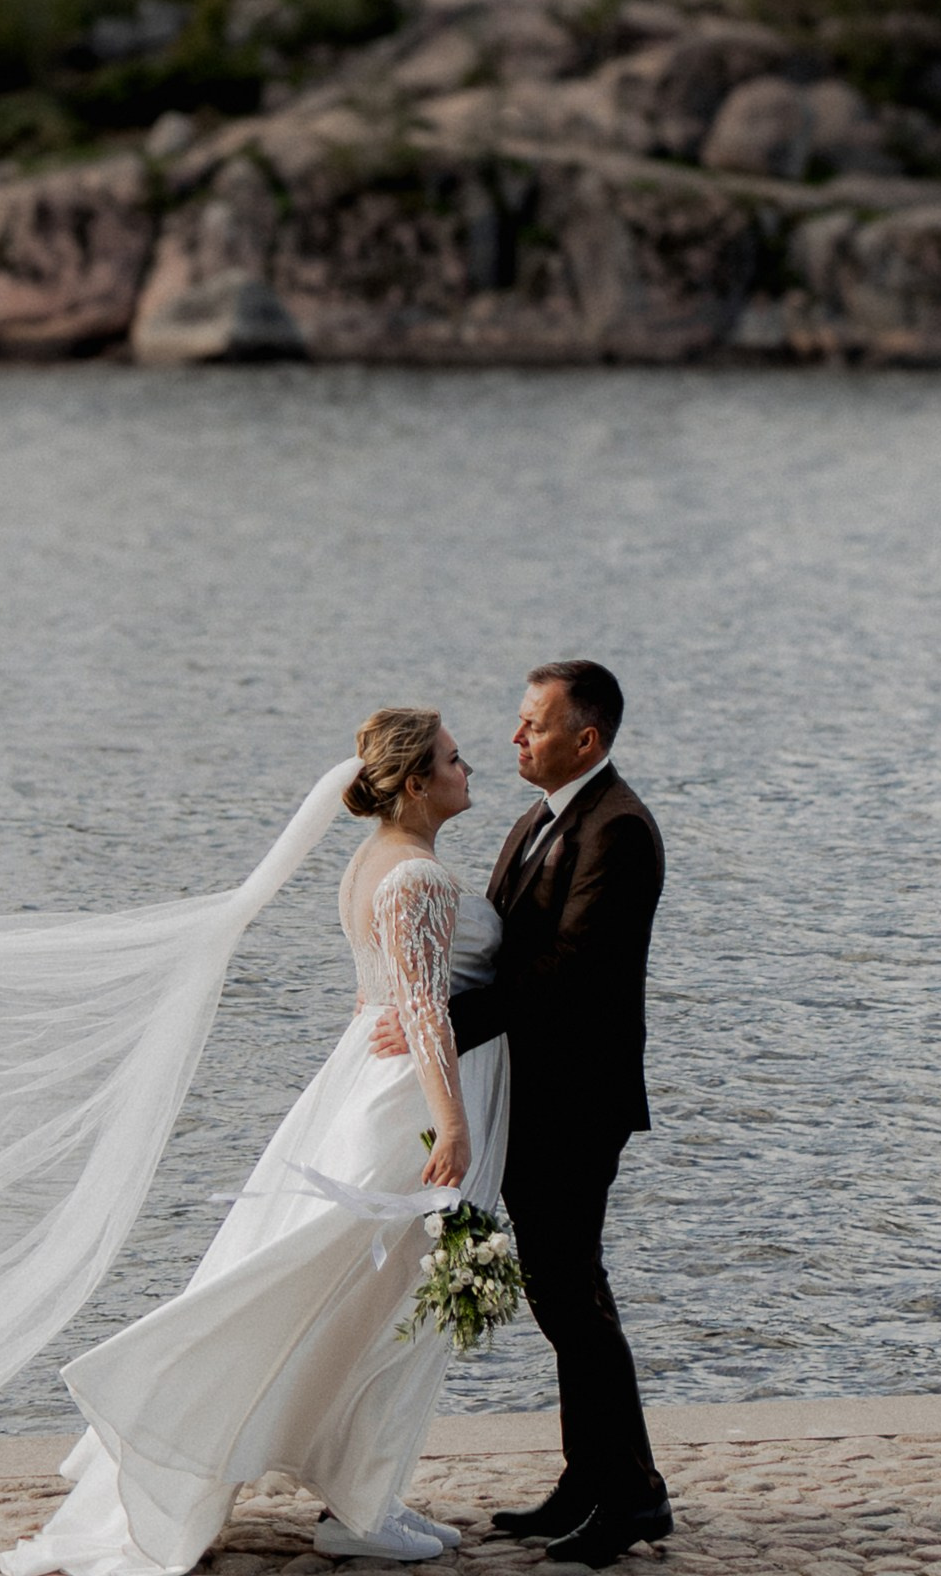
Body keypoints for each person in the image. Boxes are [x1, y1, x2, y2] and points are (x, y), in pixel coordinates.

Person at [1, 710, 506, 1576]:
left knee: (364, 1291)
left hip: (371, 1077)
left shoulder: (370, 862)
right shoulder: (416, 875)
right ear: (418, 783)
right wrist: (452, 1125)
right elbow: (423, 1005)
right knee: (368, 1294)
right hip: (411, 1103)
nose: (472, 770)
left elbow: (379, 994)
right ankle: (346, 1494)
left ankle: (365, 1490)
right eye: (456, 760)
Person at [378, 661, 667, 1567]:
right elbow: (507, 951)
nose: (515, 739)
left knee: (573, 1299)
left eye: (534, 726)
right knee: (563, 1296)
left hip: (580, 1101)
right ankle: (594, 1480)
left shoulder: (618, 831)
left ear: (584, 739)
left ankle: (630, 1502)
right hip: (533, 1097)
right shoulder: (534, 822)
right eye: (516, 722)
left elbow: (565, 974)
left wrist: (441, 1025)